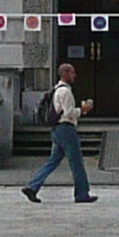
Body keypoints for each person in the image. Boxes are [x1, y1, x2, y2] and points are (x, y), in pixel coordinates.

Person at [20, 62, 95, 204]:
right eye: (72, 72)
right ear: (65, 73)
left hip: (57, 130)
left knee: (52, 162)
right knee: (77, 162)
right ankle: (82, 194)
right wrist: (83, 109)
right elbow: (69, 113)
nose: (75, 75)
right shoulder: (65, 92)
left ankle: (32, 186)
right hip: (66, 128)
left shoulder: (56, 89)